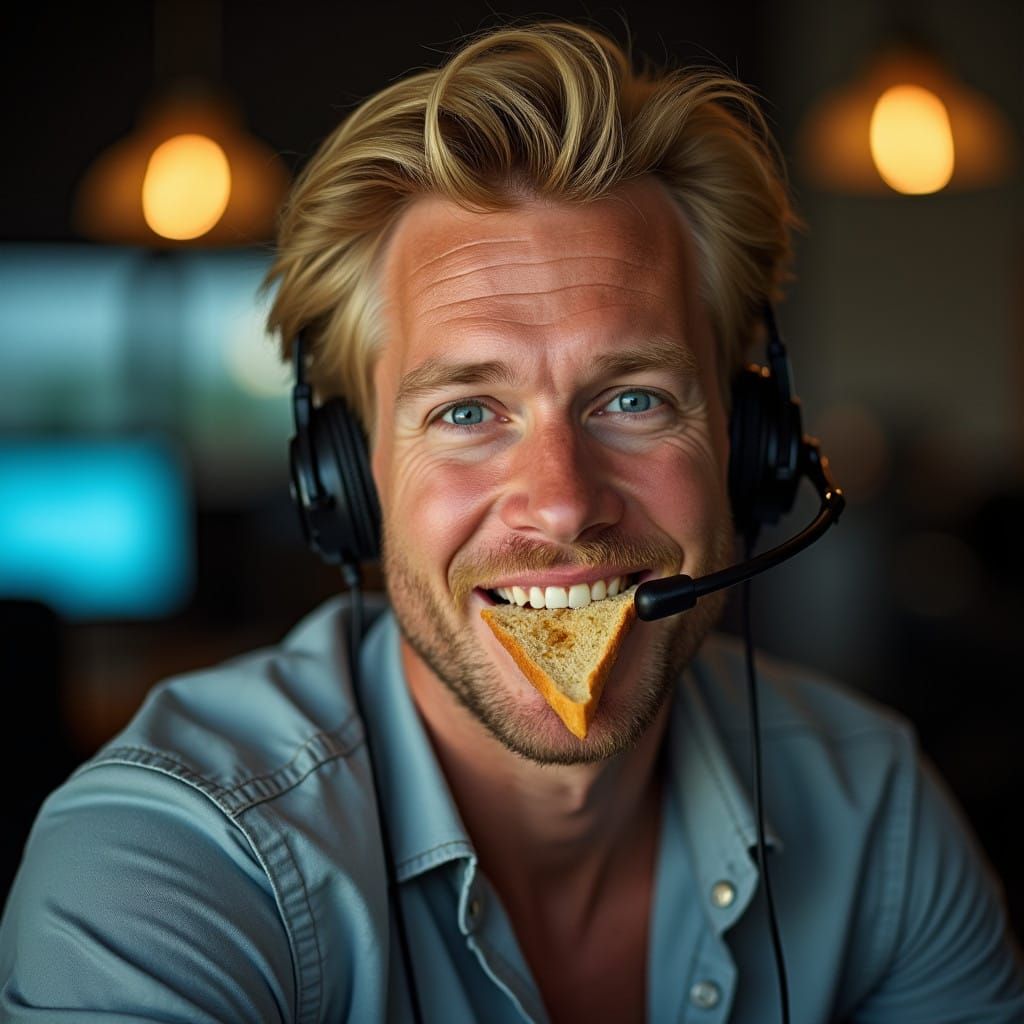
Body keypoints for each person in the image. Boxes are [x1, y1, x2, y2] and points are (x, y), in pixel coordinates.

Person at [2, 20, 1022, 1024]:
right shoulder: (167, 862)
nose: (563, 501)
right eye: (465, 411)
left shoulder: (873, 809)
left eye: (633, 399)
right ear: (349, 478)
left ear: (746, 446)